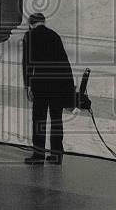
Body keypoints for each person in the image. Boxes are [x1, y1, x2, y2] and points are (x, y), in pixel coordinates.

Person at [22, 13, 76, 165]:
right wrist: (69, 89)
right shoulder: (55, 36)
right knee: (56, 120)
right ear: (43, 22)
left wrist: (28, 85)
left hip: (41, 84)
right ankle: (56, 155)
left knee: (39, 120)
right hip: (58, 85)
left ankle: (38, 156)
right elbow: (65, 63)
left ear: (30, 24)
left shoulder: (30, 36)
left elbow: (27, 64)